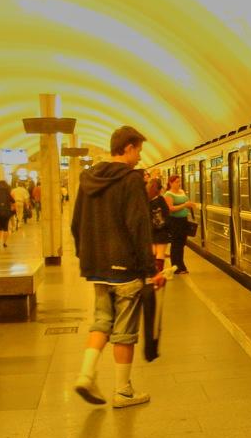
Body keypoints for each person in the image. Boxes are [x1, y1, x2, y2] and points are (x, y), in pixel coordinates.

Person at [71, 125, 166, 408]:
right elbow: (138, 226)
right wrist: (150, 269)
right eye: (138, 150)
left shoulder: (88, 179)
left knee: (102, 321)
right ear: (128, 148)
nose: (140, 156)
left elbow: (76, 223)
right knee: (125, 330)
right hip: (126, 268)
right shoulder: (131, 180)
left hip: (98, 268)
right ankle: (123, 391)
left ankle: (86, 375)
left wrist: (87, 257)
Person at [163, 174, 195, 275]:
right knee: (176, 244)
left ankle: (181, 265)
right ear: (170, 183)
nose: (179, 183)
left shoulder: (182, 192)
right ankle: (176, 267)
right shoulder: (168, 194)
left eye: (179, 181)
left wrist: (189, 205)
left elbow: (185, 203)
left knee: (182, 243)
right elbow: (170, 209)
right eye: (176, 182)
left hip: (183, 220)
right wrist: (184, 205)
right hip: (174, 221)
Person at [147, 178, 170, 273]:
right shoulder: (160, 199)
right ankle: (158, 273)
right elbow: (166, 214)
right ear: (159, 189)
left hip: (149, 230)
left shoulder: (145, 200)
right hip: (161, 230)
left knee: (152, 253)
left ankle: (152, 274)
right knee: (160, 254)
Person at [0, 180, 14, 248]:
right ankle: (4, 243)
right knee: (6, 227)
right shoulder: (7, 192)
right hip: (6, 211)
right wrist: (11, 208)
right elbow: (13, 201)